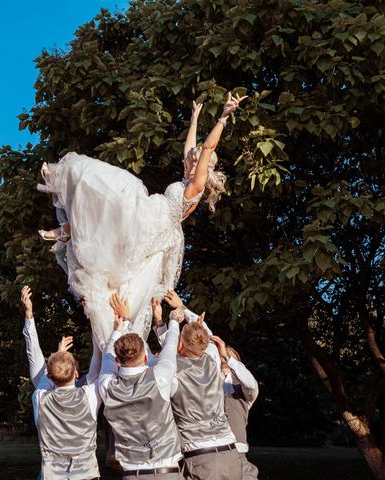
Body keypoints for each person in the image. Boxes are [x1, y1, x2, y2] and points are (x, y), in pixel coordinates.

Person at [37, 93, 247, 349]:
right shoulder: (185, 177)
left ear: (200, 165)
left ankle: (66, 219)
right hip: (150, 213)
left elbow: (207, 148)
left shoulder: (196, 186)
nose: (188, 160)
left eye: (192, 160)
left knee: (115, 195)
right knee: (109, 208)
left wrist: (224, 117)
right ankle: (65, 228)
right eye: (189, 158)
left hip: (156, 224)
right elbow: (190, 147)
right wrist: (193, 119)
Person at [152, 293, 239, 480]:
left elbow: (167, 351)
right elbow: (205, 333)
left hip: (201, 457)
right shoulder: (214, 359)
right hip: (232, 454)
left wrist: (160, 321)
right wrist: (182, 307)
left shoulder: (174, 372)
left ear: (180, 343)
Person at [97, 293, 184, 479]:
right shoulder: (160, 377)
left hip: (131, 474)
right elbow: (170, 344)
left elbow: (107, 356)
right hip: (167, 473)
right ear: (146, 357)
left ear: (117, 361)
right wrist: (174, 318)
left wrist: (121, 326)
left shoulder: (106, 386)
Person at [21, 285, 102, 480]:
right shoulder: (90, 394)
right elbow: (99, 358)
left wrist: (29, 315)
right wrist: (95, 316)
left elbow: (33, 355)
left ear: (48, 374)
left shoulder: (40, 396)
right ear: (76, 373)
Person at [212, 336, 259, 480]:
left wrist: (229, 359)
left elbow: (251, 384)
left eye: (228, 354)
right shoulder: (210, 383)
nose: (224, 355)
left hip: (238, 455)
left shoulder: (245, 389)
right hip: (212, 455)